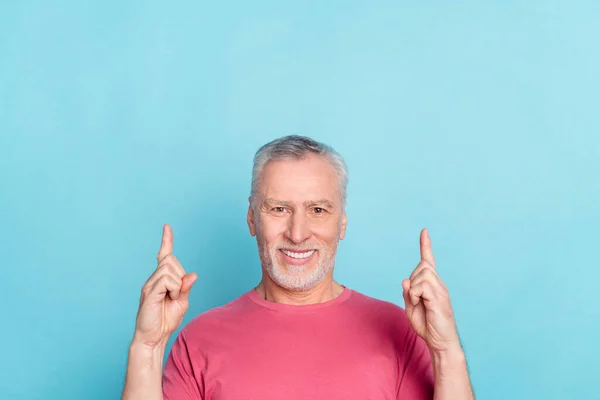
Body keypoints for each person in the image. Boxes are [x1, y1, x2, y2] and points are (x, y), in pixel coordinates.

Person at [121, 135, 475, 400]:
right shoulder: (198, 340)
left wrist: (446, 352)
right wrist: (147, 348)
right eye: (279, 209)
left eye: (318, 210)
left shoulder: (399, 331)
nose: (297, 233)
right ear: (251, 218)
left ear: (342, 224)